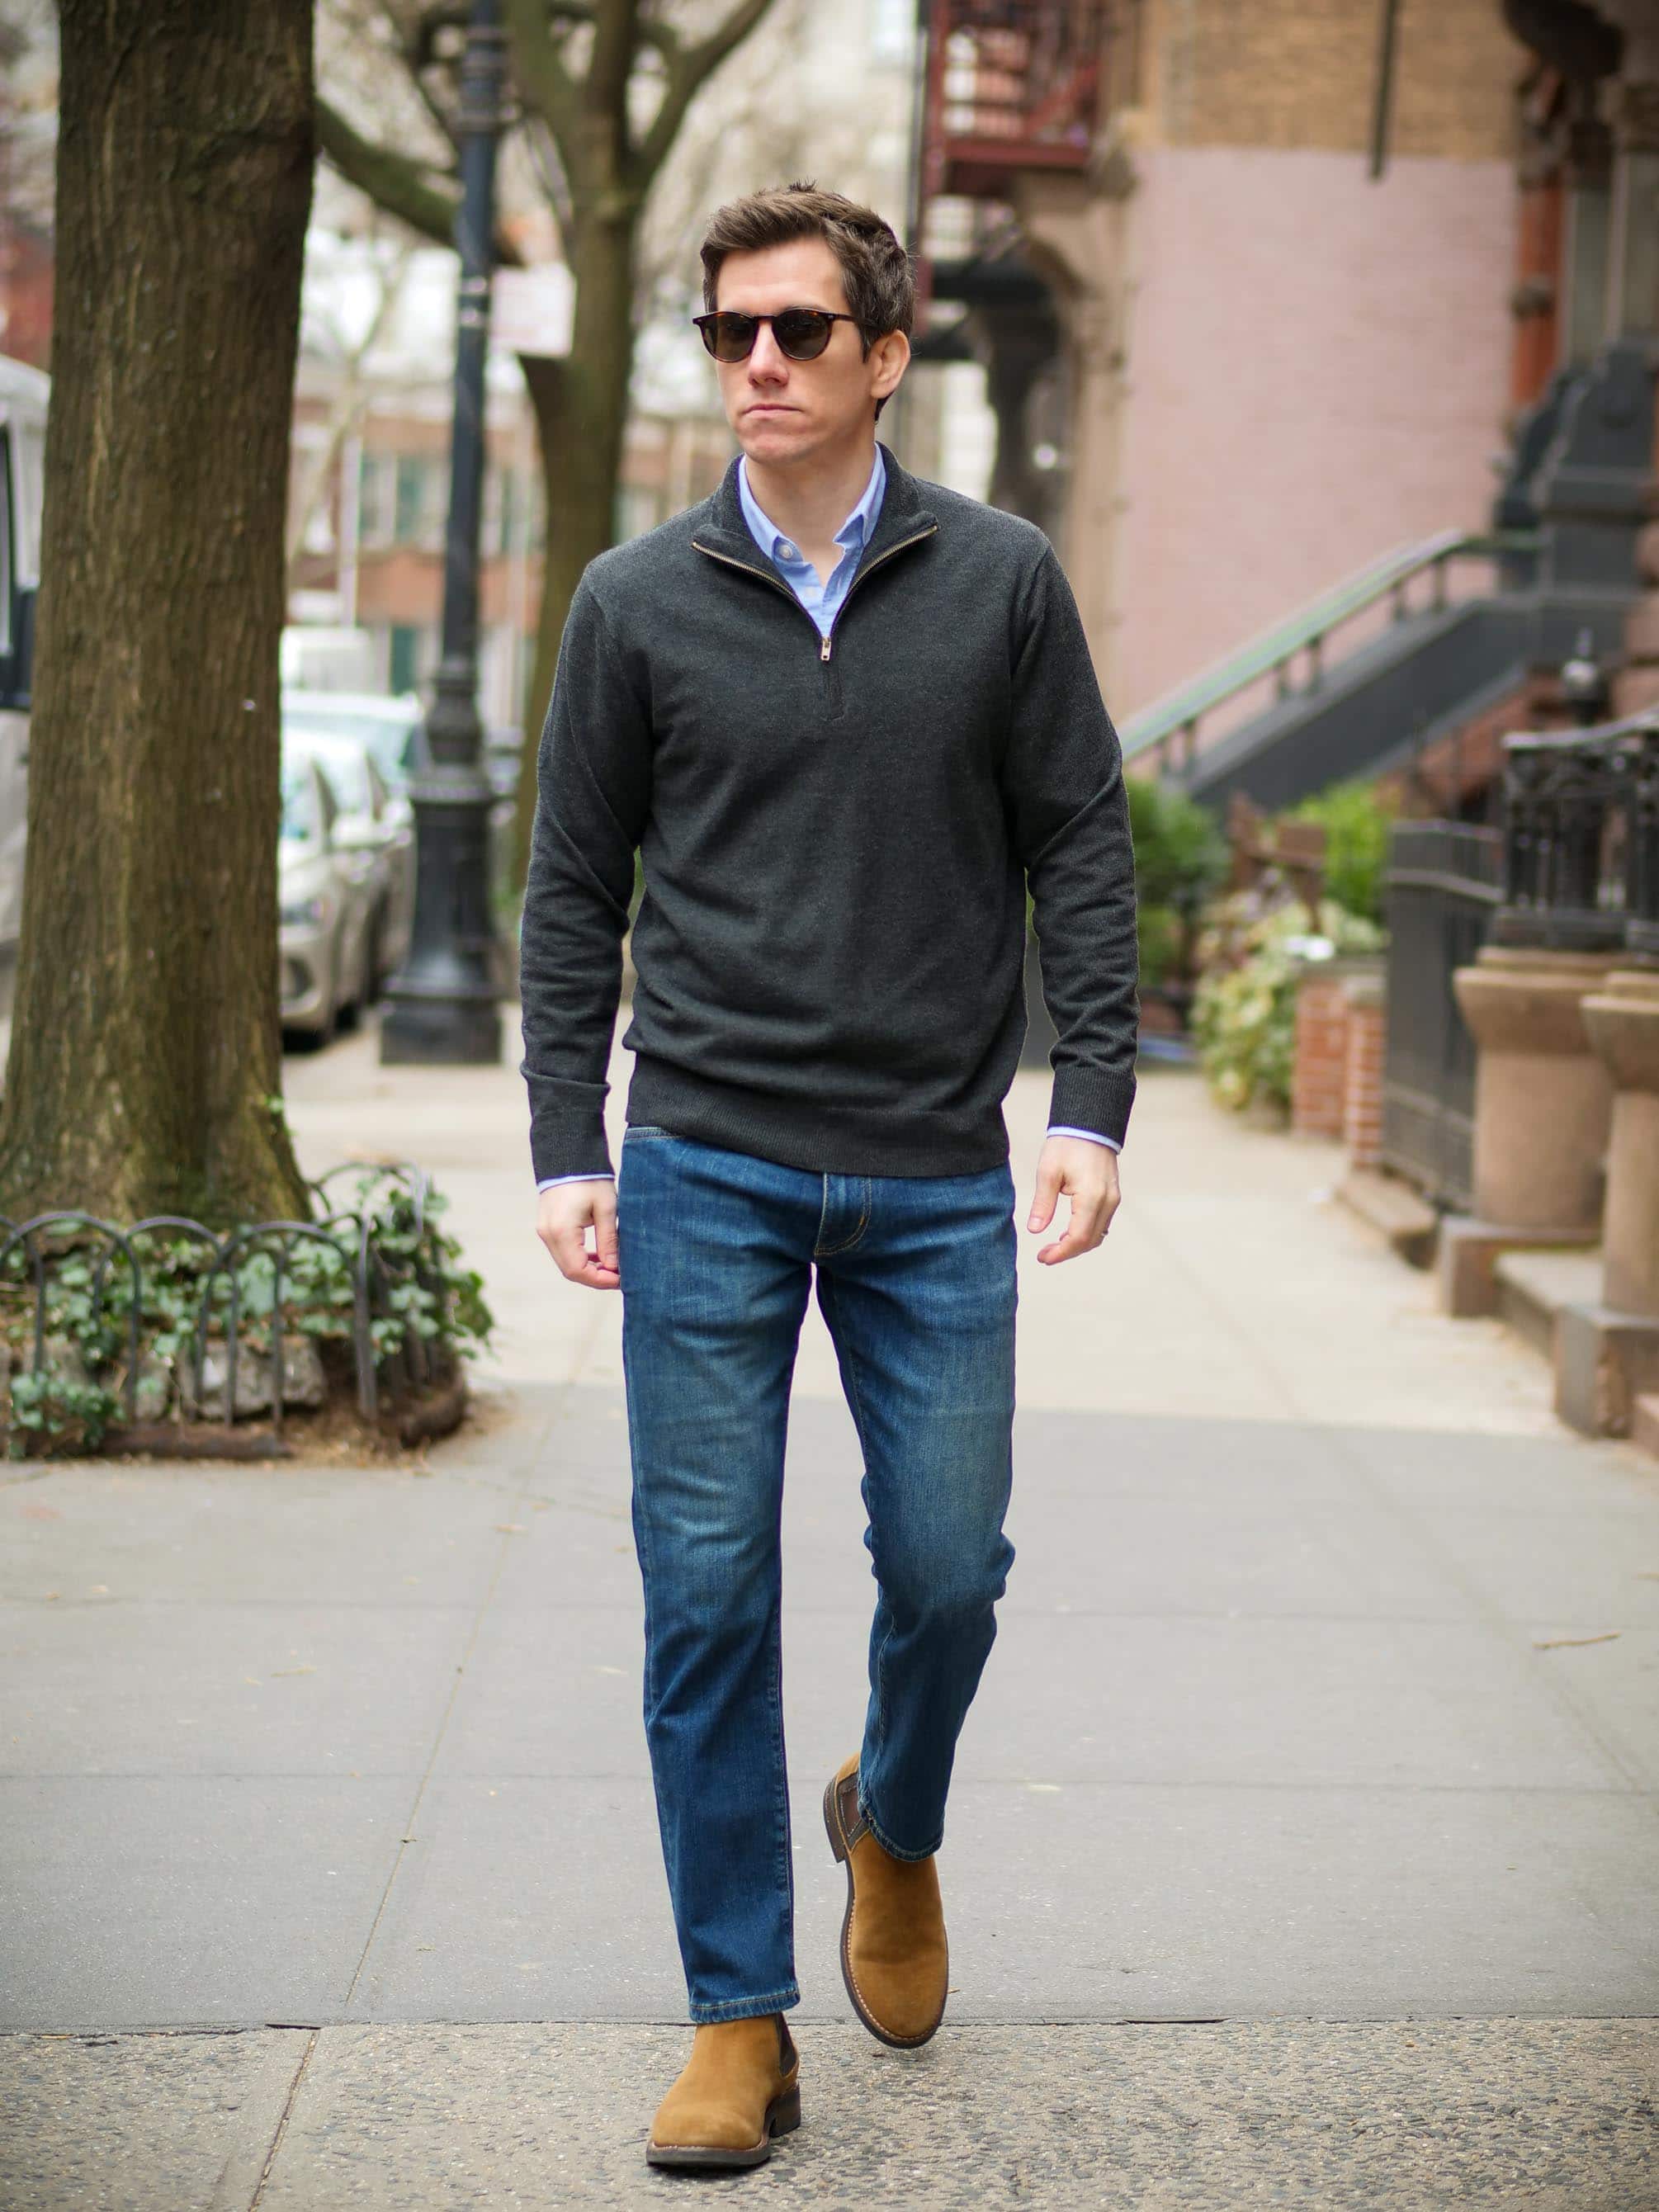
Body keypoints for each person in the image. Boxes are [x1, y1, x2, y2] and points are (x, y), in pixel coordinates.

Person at [519, 182, 1138, 2172]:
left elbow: (1085, 845)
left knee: (951, 1571)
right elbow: (567, 896)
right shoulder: (633, 599)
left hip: (933, 1175)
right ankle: (734, 2011)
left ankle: (899, 1814)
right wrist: (562, 1140)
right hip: (702, 1152)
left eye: (798, 331)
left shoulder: (1006, 579)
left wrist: (1093, 1103)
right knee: (701, 1592)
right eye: (730, 336)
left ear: (884, 354)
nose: (759, 365)